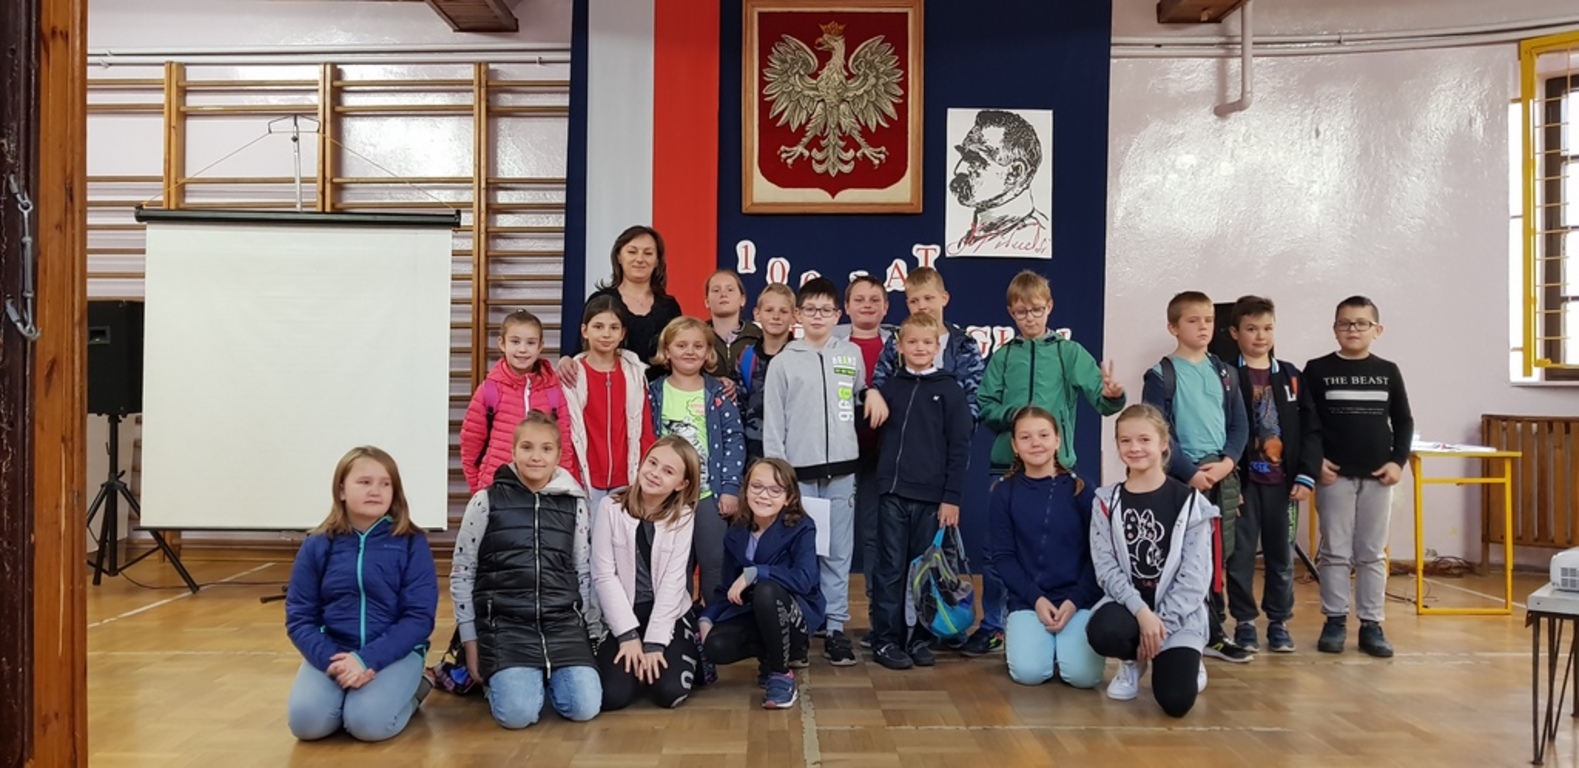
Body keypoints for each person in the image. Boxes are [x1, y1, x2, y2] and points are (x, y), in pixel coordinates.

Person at [976, 270, 1125, 656]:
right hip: (1006, 468)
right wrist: (1015, 416)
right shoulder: (1003, 357)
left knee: (1059, 545)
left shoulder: (1068, 353)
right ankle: (994, 624)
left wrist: (1113, 395)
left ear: (1050, 308)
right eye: (1021, 311)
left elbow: (1102, 399)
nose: (1030, 318)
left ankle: (1062, 613)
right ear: (1011, 312)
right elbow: (985, 405)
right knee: (997, 554)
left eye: (1037, 310)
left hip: (1058, 471)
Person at [763, 276, 888, 666]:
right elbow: (773, 423)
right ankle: (801, 626)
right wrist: (779, 474)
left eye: (826, 310)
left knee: (837, 552)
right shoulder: (784, 362)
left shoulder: (849, 354)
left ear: (838, 315)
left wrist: (872, 393)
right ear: (798, 315)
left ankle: (835, 628)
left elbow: (859, 394)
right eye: (811, 309)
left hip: (842, 472)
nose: (818, 316)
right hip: (798, 475)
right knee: (801, 553)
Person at [449, 412, 602, 729]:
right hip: (505, 625)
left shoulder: (575, 504)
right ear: (513, 451)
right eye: (527, 447)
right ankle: (509, 680)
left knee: (584, 707)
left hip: (561, 623)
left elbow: (582, 571)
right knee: (518, 715)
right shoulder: (485, 501)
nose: (536, 456)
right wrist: (471, 642)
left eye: (546, 449)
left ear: (559, 455)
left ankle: (541, 675)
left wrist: (590, 631)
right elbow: (463, 573)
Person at [285, 446, 437, 742]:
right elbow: (299, 618)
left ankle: (416, 689)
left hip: (394, 653)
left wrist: (367, 660)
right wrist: (335, 662)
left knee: (368, 725)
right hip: (334, 653)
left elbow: (419, 618)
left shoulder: (411, 543)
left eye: (385, 483)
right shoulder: (317, 544)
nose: (375, 491)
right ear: (341, 490)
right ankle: (349, 698)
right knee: (306, 725)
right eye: (364, 482)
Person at [1141, 291, 1251, 664]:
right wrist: (1189, 473)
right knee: (1184, 557)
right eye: (1193, 320)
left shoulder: (1226, 373)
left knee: (1217, 556)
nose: (1203, 327)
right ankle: (1187, 628)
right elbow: (1158, 431)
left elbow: (1239, 425)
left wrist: (1227, 464)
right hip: (1180, 479)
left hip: (1220, 476)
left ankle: (1214, 630)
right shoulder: (1161, 375)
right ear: (1173, 327)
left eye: (1208, 320)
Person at [1087, 405, 1216, 718]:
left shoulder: (1192, 503)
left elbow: (1195, 577)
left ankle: (1186, 654)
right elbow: (1106, 569)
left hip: (1178, 614)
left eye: (1144, 439)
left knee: (1176, 701)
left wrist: (1161, 626)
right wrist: (1142, 614)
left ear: (1163, 443)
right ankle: (1133, 660)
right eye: (1125, 440)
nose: (1135, 448)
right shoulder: (1105, 501)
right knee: (1104, 630)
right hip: (1132, 608)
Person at [1303, 296, 1413, 658]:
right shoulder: (1317, 369)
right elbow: (1306, 422)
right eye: (1345, 323)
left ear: (1376, 330)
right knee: (1334, 551)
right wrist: (1315, 462)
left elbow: (1404, 420)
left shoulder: (1388, 371)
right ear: (1335, 329)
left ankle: (1371, 624)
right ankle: (1334, 619)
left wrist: (1397, 462)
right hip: (1334, 477)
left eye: (1361, 323)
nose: (1353, 329)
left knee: (1371, 553)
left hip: (1378, 477)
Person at [867, 313, 973, 670]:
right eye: (912, 342)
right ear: (899, 346)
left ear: (937, 346)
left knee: (926, 572)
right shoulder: (890, 388)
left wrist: (951, 497)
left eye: (927, 342)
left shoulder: (950, 390)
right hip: (893, 494)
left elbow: (960, 448)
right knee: (889, 569)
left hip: (932, 500)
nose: (919, 348)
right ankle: (886, 639)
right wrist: (870, 394)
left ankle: (921, 639)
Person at [1225, 295, 1320, 654]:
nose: (1260, 336)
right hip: (1244, 485)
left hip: (1284, 485)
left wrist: (1306, 474)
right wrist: (1229, 481)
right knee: (1240, 556)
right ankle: (1244, 622)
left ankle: (1279, 622)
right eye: (1251, 329)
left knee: (1281, 555)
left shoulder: (1291, 376)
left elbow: (1311, 429)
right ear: (1235, 332)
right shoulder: (1225, 375)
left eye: (1267, 328)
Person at [989, 406, 1103, 689]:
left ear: (1057, 440)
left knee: (1083, 677)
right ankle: (1032, 642)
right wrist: (1036, 599)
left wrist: (1075, 600)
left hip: (1076, 600)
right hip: (1029, 600)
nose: (1035, 443)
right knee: (1029, 674)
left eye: (1043, 435)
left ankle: (1061, 647)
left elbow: (1098, 555)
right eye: (1025, 437)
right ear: (1015, 446)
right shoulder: (1003, 492)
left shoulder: (1081, 489)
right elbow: (1004, 558)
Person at [699, 458, 824, 710]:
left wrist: (757, 572)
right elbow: (726, 587)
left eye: (775, 490)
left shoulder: (802, 527)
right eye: (756, 486)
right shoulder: (736, 530)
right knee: (715, 645)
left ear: (788, 498)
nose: (764, 495)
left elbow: (805, 579)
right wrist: (707, 617)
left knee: (766, 591)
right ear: (745, 490)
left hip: (795, 614)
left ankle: (781, 674)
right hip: (754, 613)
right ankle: (769, 655)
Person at [592, 436, 703, 710]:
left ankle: (688, 648)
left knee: (670, 694)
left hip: (666, 613)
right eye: (652, 463)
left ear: (681, 484)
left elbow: (674, 582)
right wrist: (628, 636)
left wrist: (654, 643)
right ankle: (632, 664)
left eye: (668, 471)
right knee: (612, 697)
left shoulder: (683, 517)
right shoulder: (610, 507)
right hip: (624, 612)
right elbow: (604, 575)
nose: (655, 473)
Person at [648, 316, 746, 605]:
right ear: (667, 351)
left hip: (708, 494)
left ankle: (712, 619)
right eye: (681, 345)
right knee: (673, 563)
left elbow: (734, 440)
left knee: (714, 560)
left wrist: (730, 488)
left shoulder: (718, 393)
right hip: (667, 496)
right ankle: (676, 619)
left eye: (697, 346)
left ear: (708, 352)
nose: (690, 351)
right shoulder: (654, 392)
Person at [833, 275, 895, 644]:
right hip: (837, 454)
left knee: (874, 536)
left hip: (881, 455)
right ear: (846, 307)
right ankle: (828, 618)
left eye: (875, 299)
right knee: (832, 537)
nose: (867, 305)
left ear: (886, 307)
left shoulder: (899, 345)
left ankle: (877, 617)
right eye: (859, 299)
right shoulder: (832, 344)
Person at [460, 309, 578, 494]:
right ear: (502, 343)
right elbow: (471, 444)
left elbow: (564, 443)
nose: (523, 349)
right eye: (515, 342)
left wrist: (563, 487)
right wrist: (479, 490)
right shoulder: (489, 390)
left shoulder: (553, 391)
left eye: (530, 343)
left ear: (540, 346)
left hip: (544, 489)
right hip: (498, 489)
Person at [564, 295, 658, 515]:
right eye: (598, 326)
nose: (606, 334)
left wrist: (644, 473)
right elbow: (567, 432)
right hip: (585, 480)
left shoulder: (635, 374)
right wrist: (572, 476)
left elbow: (645, 429)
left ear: (622, 333)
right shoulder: (572, 375)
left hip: (627, 479)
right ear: (584, 331)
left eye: (614, 327)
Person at [561, 224, 683, 370]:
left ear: (657, 261)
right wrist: (566, 360)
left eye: (648, 253)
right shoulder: (601, 300)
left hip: (661, 384)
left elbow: (679, 354)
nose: (640, 259)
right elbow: (581, 350)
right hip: (610, 382)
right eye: (632, 252)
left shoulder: (669, 306)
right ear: (619, 257)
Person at [945, 110, 1050, 258]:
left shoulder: (1038, 235)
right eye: (964, 157)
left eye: (975, 161)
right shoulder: (967, 240)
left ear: (1015, 172)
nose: (958, 170)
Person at [734, 283, 796, 461]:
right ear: (757, 314)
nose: (776, 316)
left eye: (783, 311)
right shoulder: (746, 358)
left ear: (794, 316)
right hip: (754, 454)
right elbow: (739, 409)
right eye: (769, 310)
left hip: (794, 453)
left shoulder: (802, 357)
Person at [704, 269, 761, 384]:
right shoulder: (697, 337)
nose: (723, 294)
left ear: (742, 300)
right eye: (716, 290)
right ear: (707, 302)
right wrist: (713, 383)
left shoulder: (758, 337)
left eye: (730, 290)